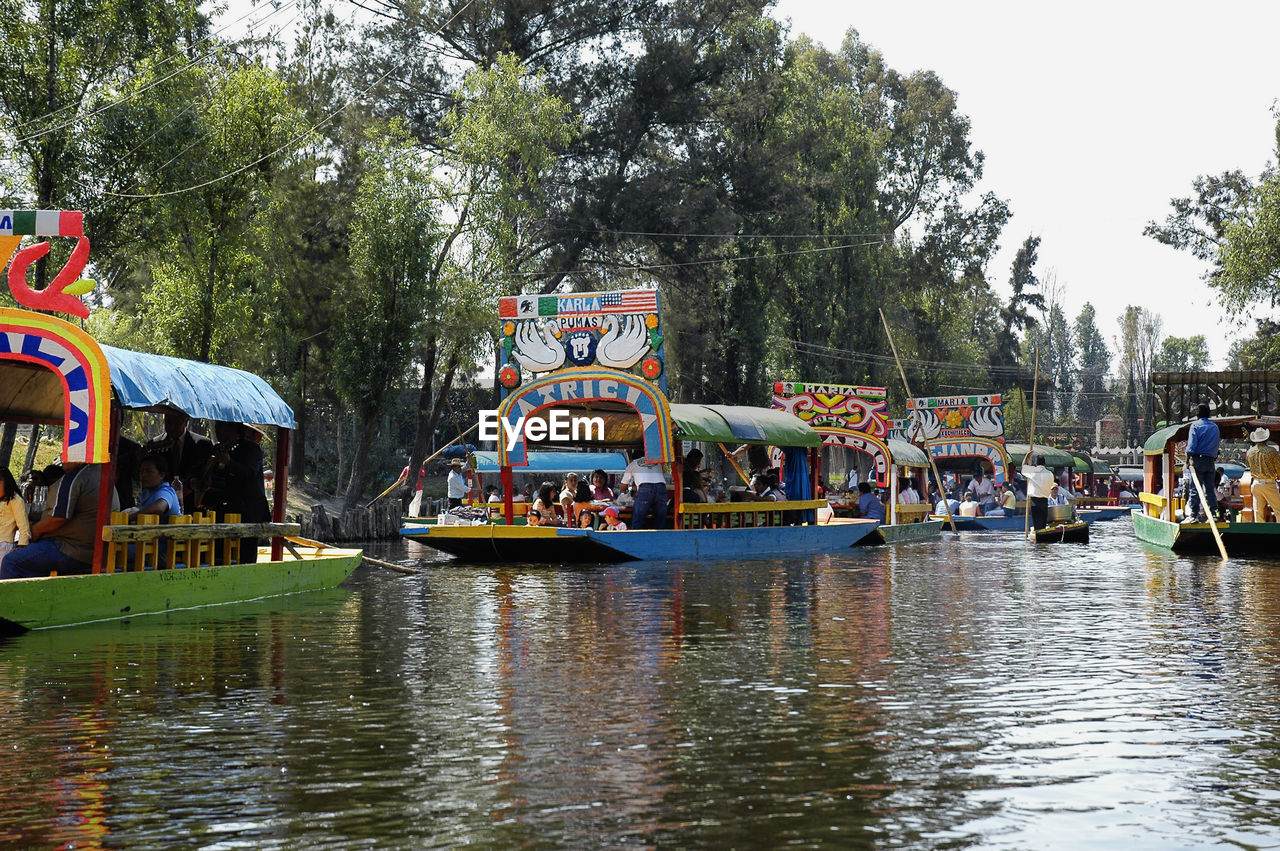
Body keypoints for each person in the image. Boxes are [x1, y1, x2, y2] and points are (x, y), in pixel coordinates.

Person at [1, 462, 119, 579]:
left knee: (10, 561)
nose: (64, 458)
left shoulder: (75, 478)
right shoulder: (100, 473)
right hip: (93, 549)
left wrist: (35, 531)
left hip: (71, 548)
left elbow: (59, 518)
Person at [209, 422, 271, 564]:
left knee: (246, 554)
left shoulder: (251, 449)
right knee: (221, 552)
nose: (218, 432)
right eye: (217, 428)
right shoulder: (219, 449)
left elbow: (249, 472)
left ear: (234, 429)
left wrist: (230, 463)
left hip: (249, 512)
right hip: (225, 509)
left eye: (222, 428)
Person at [145, 411, 214, 510]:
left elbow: (202, 473)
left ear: (186, 422)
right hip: (162, 503)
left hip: (192, 504)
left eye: (176, 423)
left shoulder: (202, 444)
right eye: (168, 423)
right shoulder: (155, 444)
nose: (172, 427)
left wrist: (190, 484)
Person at [1183, 403, 1220, 523]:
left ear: (1197, 415)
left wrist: (1187, 460)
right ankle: (1214, 514)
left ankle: (1194, 515)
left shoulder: (1195, 426)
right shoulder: (1214, 427)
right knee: (1210, 489)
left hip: (1198, 460)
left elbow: (1191, 447)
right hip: (1210, 461)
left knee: (1195, 488)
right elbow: (1216, 445)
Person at [125, 455, 180, 522]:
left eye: (149, 471)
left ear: (161, 475)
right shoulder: (146, 492)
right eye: (141, 471)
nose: (143, 475)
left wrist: (128, 518)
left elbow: (159, 508)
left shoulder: (165, 491)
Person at [621, 449, 667, 530]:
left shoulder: (633, 464)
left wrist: (625, 492)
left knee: (639, 519)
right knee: (660, 519)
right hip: (661, 487)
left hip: (645, 489)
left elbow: (623, 486)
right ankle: (659, 538)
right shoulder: (656, 462)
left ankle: (638, 539)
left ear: (633, 458)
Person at [1246, 426, 1280, 523]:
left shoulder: (1250, 452)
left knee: (1258, 512)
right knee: (1278, 510)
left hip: (1255, 483)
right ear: (1266, 438)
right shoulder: (1272, 451)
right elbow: (1278, 467)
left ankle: (1260, 536)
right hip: (1269, 483)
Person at [0, 468, 32, 561]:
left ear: (7, 484)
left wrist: (22, 545)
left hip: (4, 544)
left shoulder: (15, 500)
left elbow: (24, 526)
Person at [1021, 453, 1054, 530]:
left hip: (1035, 501)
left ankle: (1039, 537)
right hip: (1045, 501)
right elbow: (1051, 485)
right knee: (1043, 524)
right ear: (1045, 464)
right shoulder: (1050, 474)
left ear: (1036, 463)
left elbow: (1023, 466)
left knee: (1037, 524)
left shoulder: (1033, 471)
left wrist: (1026, 456)